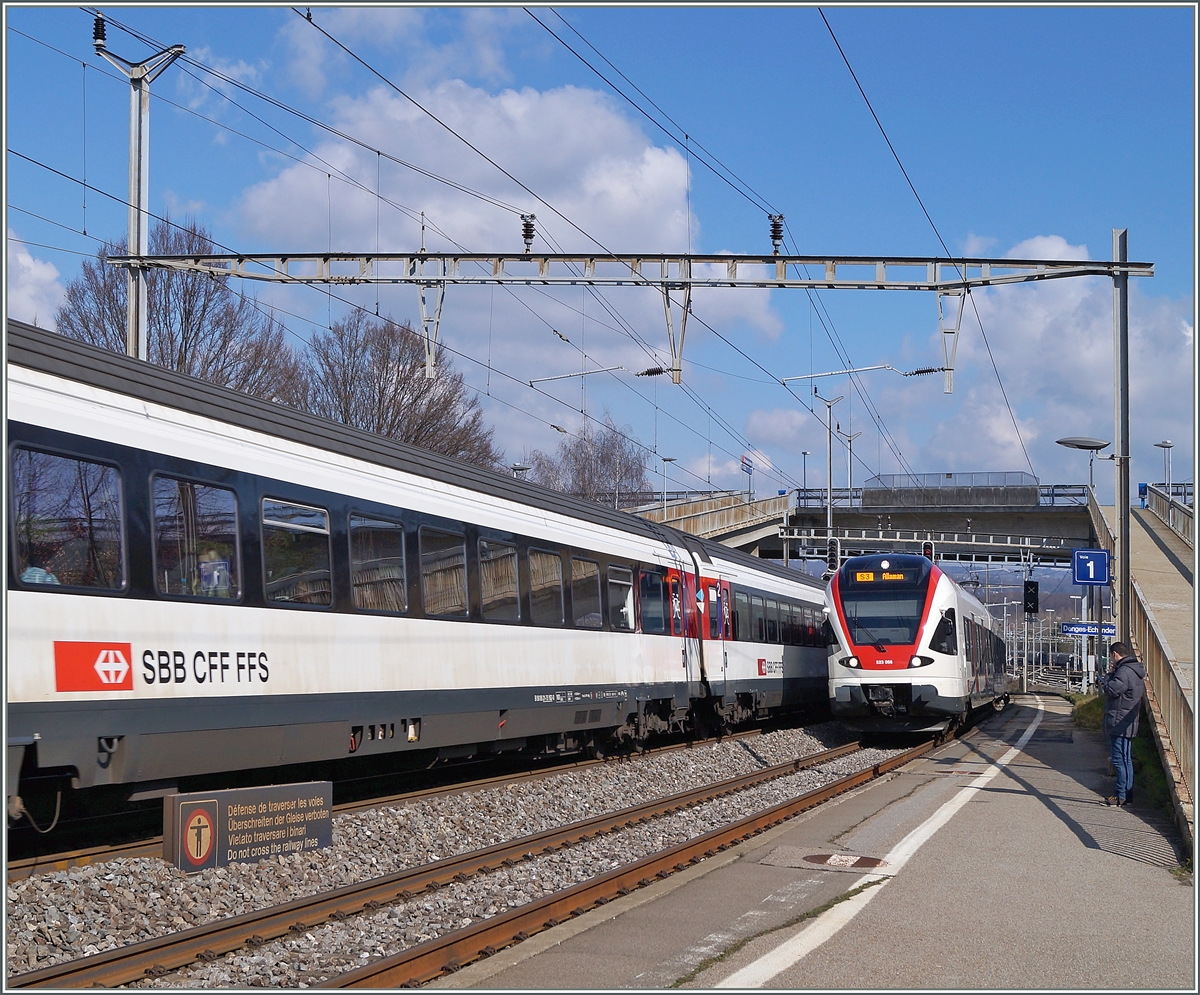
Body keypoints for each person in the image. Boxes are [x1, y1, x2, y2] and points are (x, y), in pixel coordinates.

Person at [1098, 641, 1146, 807]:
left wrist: (1108, 676)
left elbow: (1111, 690)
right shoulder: (1135, 670)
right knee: (1126, 759)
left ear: (1115, 654)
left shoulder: (1123, 672)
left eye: (1112, 656)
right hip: (1129, 720)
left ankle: (1119, 795)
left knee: (1119, 760)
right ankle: (1127, 794)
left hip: (1119, 720)